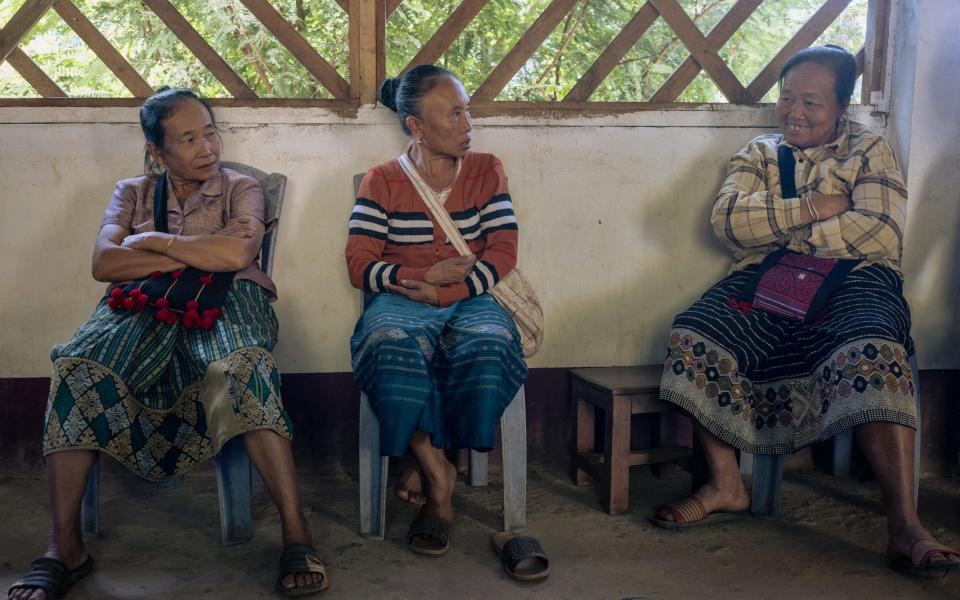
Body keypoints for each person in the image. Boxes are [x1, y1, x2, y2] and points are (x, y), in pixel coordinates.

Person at [652, 45, 960, 577]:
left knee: (873, 346)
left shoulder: (870, 148)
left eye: (811, 103)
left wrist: (784, 229)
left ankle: (904, 522)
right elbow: (727, 223)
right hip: (767, 280)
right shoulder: (760, 152)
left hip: (858, 281)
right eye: (787, 98)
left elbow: (881, 232)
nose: (795, 112)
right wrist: (818, 207)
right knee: (696, 332)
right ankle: (727, 484)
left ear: (842, 106)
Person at [7, 88, 326, 599]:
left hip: (230, 303)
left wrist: (153, 242)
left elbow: (239, 253)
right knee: (78, 366)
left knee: (244, 367)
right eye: (188, 139)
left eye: (210, 132)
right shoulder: (130, 192)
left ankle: (297, 533)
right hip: (138, 308)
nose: (207, 147)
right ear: (158, 151)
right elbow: (105, 265)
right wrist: (202, 254)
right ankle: (64, 546)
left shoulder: (241, 188)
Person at [345, 66, 531, 559]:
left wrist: (448, 292)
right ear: (417, 127)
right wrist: (419, 280)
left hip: (471, 297)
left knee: (487, 343)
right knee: (389, 343)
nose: (468, 123)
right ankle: (438, 476)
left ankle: (421, 458)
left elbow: (504, 253)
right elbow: (359, 265)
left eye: (467, 110)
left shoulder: (487, 169)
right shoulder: (380, 181)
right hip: (402, 300)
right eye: (454, 113)